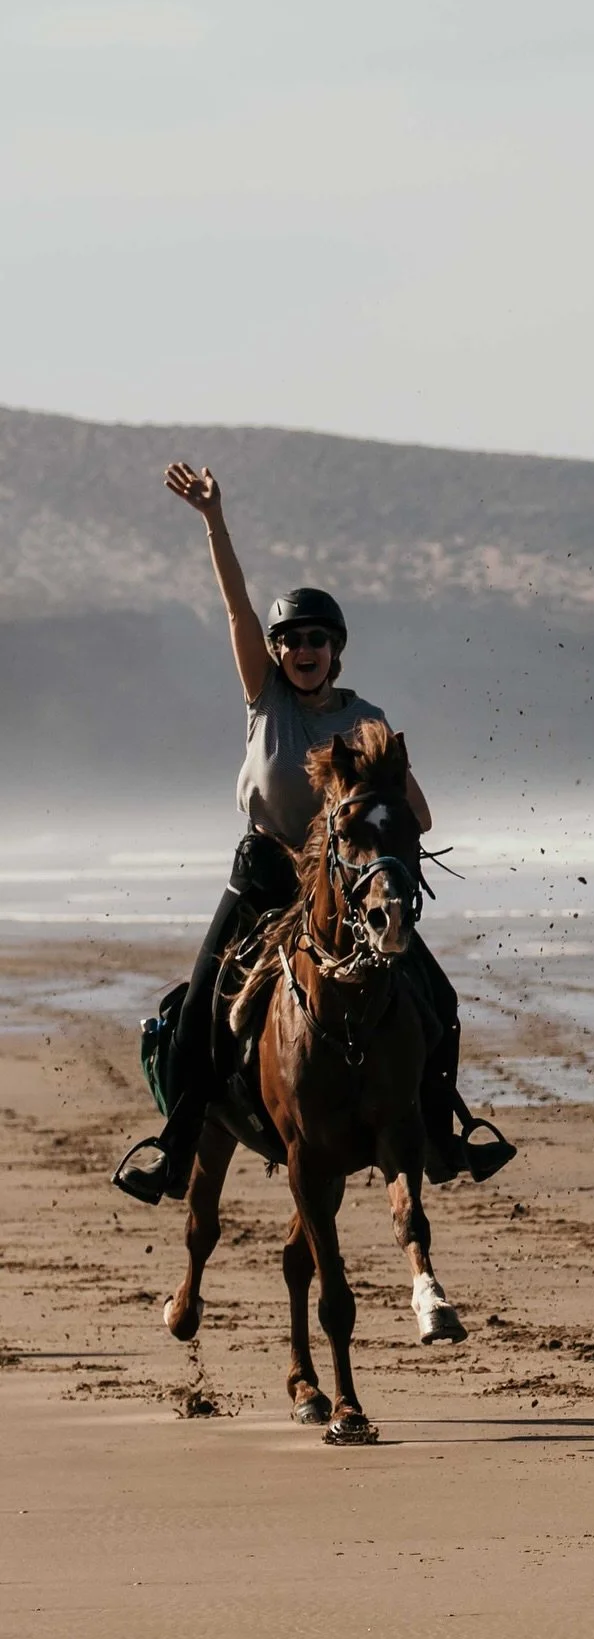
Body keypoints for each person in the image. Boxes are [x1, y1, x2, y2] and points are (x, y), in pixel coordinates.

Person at [114, 461, 503, 1204]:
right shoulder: (265, 699)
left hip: (345, 887)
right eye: (290, 638)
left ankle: (445, 1135)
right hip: (264, 872)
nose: (302, 649)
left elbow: (418, 816)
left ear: (336, 649)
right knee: (196, 1009)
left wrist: (382, 789)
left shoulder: (365, 719)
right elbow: (235, 611)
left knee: (439, 1002)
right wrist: (213, 520)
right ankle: (175, 1147)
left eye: (315, 638)